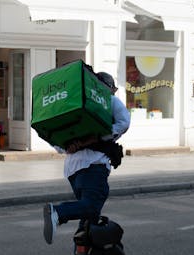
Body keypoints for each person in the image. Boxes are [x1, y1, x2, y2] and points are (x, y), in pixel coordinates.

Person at [43, 71, 131, 244]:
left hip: (72, 170)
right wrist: (98, 137)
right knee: (92, 204)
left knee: (89, 215)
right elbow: (124, 122)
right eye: (112, 89)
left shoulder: (75, 103)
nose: (113, 93)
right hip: (93, 164)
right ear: (108, 88)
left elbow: (56, 138)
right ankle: (57, 213)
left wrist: (67, 147)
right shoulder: (108, 100)